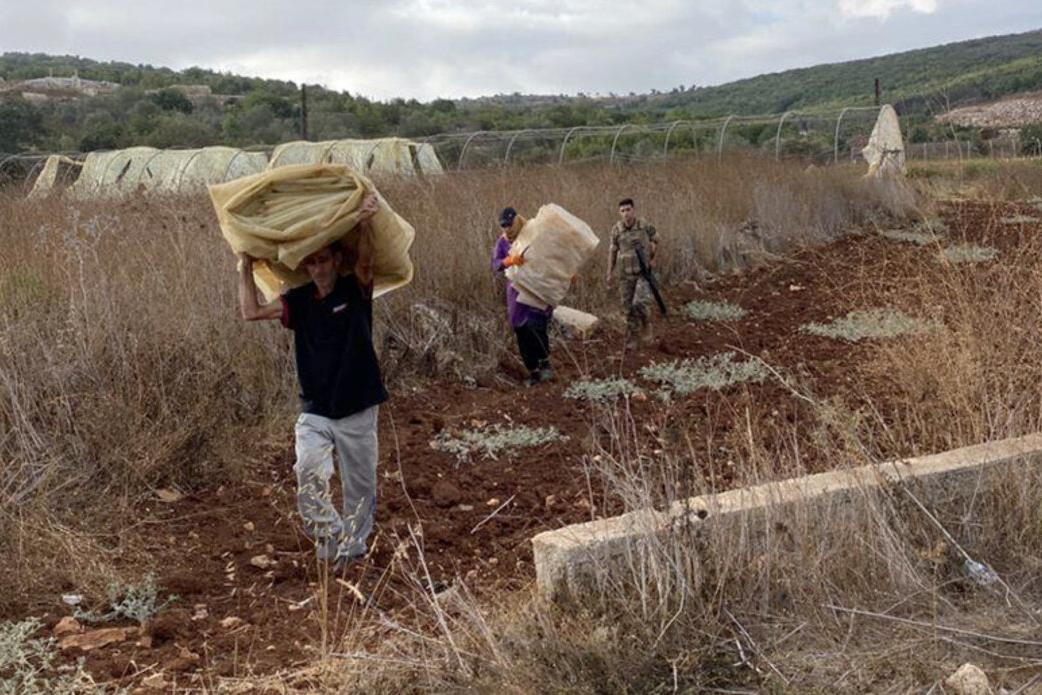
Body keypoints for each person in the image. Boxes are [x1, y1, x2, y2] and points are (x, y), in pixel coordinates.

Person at [238, 193, 385, 570]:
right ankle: (330, 536)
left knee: (360, 486)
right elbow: (251, 311)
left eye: (323, 260)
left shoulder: (355, 289)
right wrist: (245, 266)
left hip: (357, 405)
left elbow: (367, 261)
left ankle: (352, 549)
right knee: (307, 470)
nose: (318, 268)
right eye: (312, 262)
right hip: (316, 408)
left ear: (336, 260)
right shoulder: (299, 300)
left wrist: (365, 222)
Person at [492, 206, 554, 386]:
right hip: (516, 290)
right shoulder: (503, 242)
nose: (507, 229)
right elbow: (495, 264)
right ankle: (533, 370)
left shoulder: (532, 234)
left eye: (510, 225)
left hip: (536, 287)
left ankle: (545, 363)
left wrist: (564, 274)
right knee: (521, 329)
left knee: (537, 324)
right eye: (504, 226)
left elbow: (551, 256)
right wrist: (508, 260)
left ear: (517, 220)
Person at [606, 197, 658, 347]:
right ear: (619, 213)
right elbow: (612, 252)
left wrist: (654, 258)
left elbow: (656, 240)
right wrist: (609, 272)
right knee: (627, 308)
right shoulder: (617, 229)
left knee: (639, 303)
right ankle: (633, 337)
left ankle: (646, 325)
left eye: (628, 210)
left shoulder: (644, 225)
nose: (626, 213)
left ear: (633, 210)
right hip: (625, 275)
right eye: (622, 211)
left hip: (642, 273)